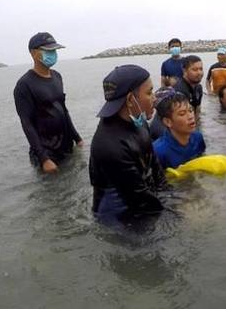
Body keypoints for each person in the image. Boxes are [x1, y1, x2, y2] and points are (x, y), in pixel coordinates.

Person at [89, 65, 170, 222]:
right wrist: (175, 213)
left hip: (142, 196)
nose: (154, 98)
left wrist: (171, 193)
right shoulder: (110, 146)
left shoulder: (139, 121)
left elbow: (155, 166)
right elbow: (138, 197)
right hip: (118, 216)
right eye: (149, 92)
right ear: (130, 100)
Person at [14, 32, 83, 173]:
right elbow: (26, 123)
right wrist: (44, 159)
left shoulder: (57, 76)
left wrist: (77, 137)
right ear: (34, 53)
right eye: (48, 50)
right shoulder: (24, 85)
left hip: (66, 145)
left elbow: (63, 110)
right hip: (46, 152)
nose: (53, 53)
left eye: (54, 50)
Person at [153, 91, 205, 169]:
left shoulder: (198, 138)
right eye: (182, 114)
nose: (190, 116)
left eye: (190, 110)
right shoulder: (159, 152)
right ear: (168, 122)